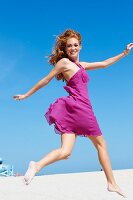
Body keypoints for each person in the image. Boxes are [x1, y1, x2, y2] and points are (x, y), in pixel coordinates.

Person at [13, 29, 133, 197]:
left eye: (75, 45)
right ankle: (112, 183)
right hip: (81, 108)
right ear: (65, 48)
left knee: (66, 152)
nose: (72, 48)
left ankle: (37, 165)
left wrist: (124, 53)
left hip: (72, 110)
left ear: (80, 46)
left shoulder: (81, 65)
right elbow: (45, 80)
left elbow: (105, 63)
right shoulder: (63, 63)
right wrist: (27, 94)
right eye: (69, 46)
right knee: (101, 144)